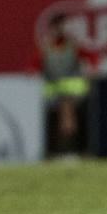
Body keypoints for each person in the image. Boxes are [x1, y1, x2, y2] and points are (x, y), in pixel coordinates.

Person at [37, 13, 97, 156]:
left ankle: (78, 149)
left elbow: (92, 58)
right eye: (56, 27)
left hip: (73, 92)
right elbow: (33, 66)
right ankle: (55, 150)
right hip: (52, 93)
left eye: (62, 26)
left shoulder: (73, 46)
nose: (59, 30)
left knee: (70, 112)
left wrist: (92, 68)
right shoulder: (46, 48)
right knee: (57, 118)